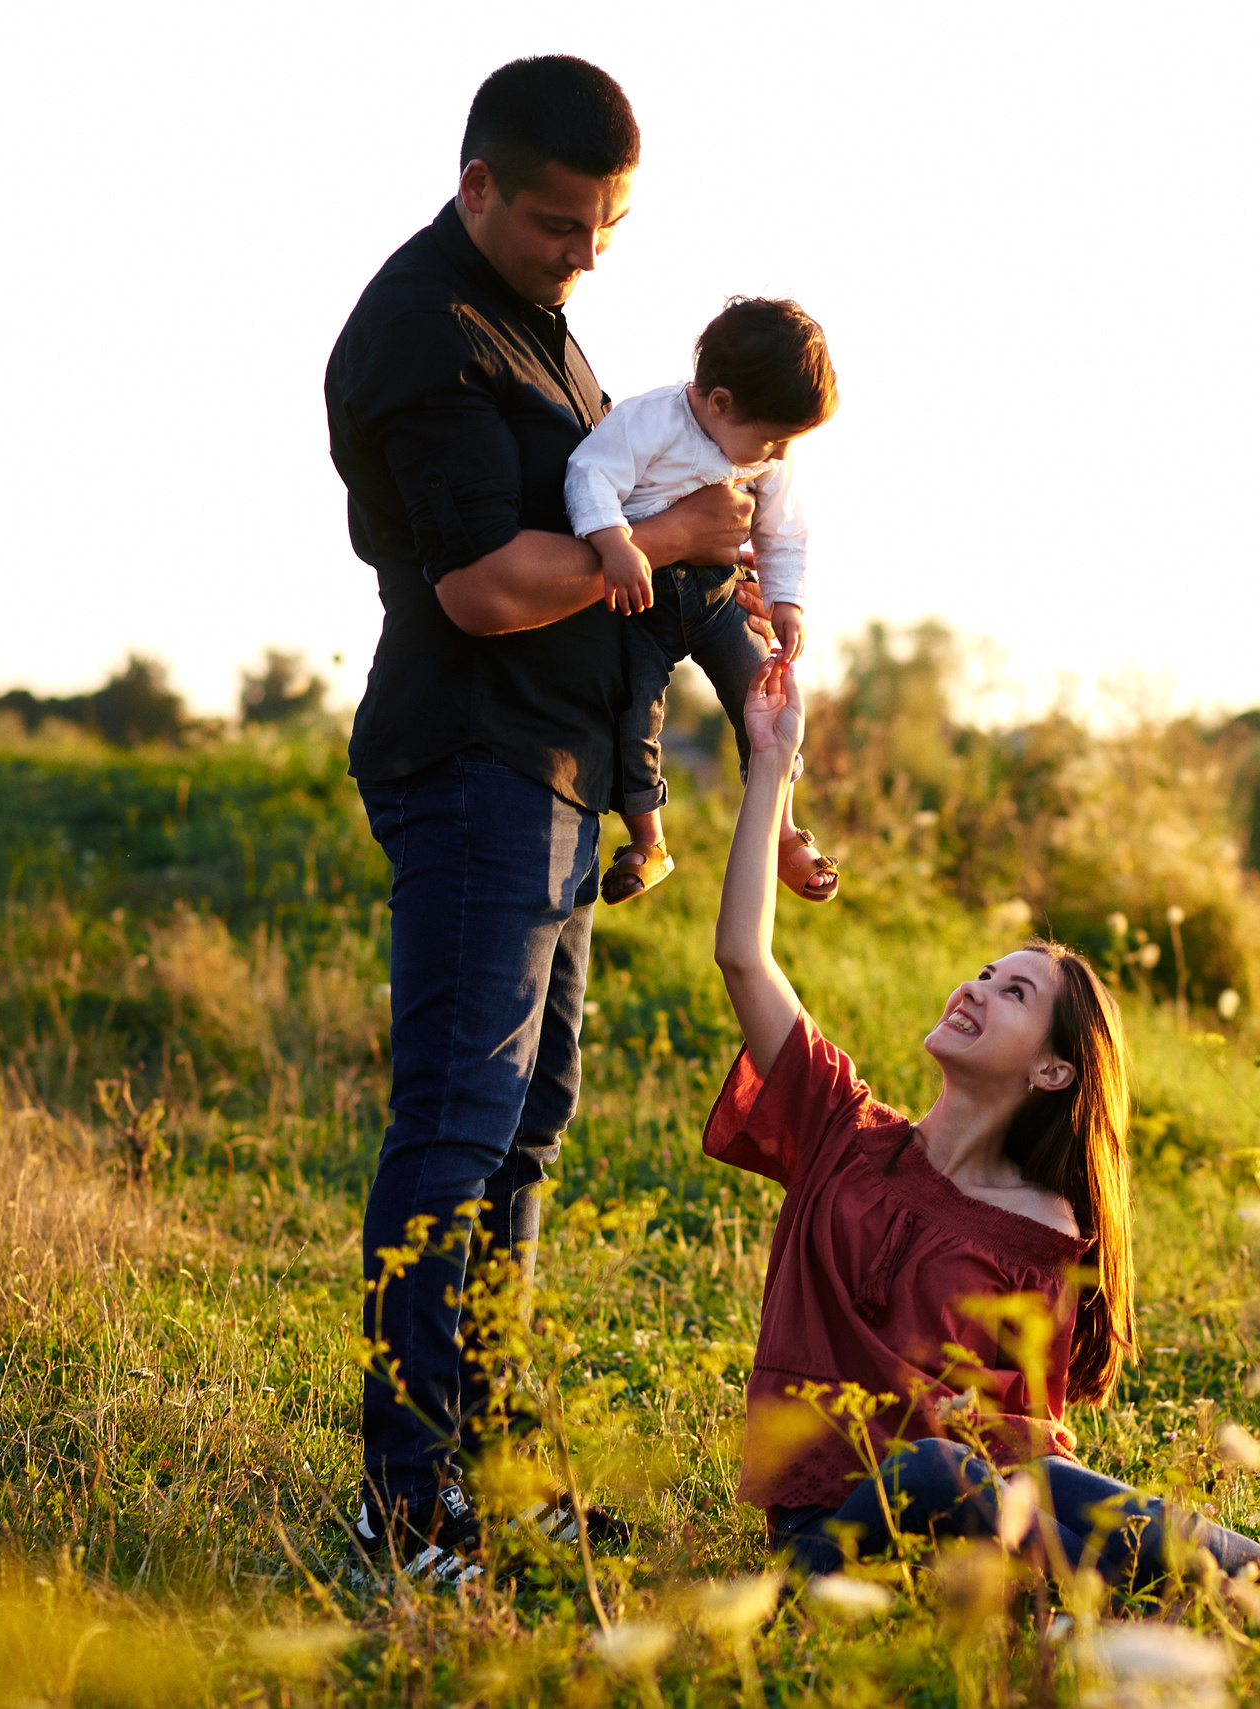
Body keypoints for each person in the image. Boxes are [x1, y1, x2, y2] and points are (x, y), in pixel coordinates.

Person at [325, 54, 760, 1572]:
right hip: (471, 761)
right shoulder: (425, 337)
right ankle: (401, 1504)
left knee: (526, 1132)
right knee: (452, 1126)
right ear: (479, 187)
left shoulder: (545, 331)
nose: (587, 253)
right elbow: (491, 587)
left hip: (561, 772)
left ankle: (494, 1473)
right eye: (561, 222)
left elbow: (623, 591)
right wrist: (675, 529)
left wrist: (641, 786)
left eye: (611, 228)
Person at [705, 665, 1260, 1594]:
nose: (974, 987)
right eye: (983, 971)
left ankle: (1253, 1576)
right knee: (934, 1469)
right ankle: (1125, 1599)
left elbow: (1024, 1451)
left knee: (1004, 1474)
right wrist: (773, 765)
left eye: (1014, 992)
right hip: (827, 1539)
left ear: (1052, 1071)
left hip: (958, 1536)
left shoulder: (1039, 1232)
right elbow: (742, 955)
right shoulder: (842, 1128)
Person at [563, 296, 843, 906]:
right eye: (769, 441)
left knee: (762, 699)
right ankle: (647, 839)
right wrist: (614, 544)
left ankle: (780, 826)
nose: (775, 456)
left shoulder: (769, 451)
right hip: (643, 599)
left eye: (786, 444)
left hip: (717, 598)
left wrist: (788, 602)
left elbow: (782, 530)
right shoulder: (649, 423)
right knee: (633, 711)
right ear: (720, 404)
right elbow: (589, 476)